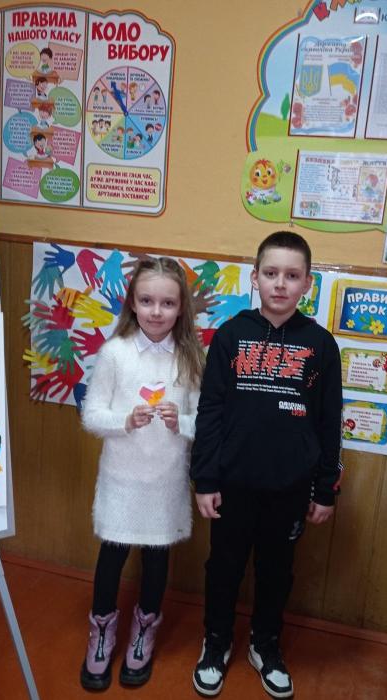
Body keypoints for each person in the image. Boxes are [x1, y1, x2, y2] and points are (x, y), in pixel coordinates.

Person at [190, 231, 343, 698]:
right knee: (224, 567)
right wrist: (204, 479)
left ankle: (265, 644)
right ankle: (216, 642)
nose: (280, 283)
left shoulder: (321, 345)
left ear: (307, 283)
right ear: (254, 277)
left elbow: (329, 421)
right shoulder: (230, 336)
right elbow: (210, 411)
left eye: (292, 276)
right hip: (232, 483)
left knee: (277, 571)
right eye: (271, 273)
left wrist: (324, 489)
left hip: (290, 488)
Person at [80, 257, 205, 691]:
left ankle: (144, 631)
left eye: (167, 303)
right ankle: (100, 631)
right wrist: (125, 420)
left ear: (181, 307)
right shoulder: (114, 353)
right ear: (132, 303)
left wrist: (180, 422)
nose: (156, 311)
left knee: (156, 559)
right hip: (121, 479)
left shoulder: (190, 358)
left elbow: (203, 422)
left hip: (166, 481)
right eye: (147, 300)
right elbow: (92, 415)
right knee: (111, 556)